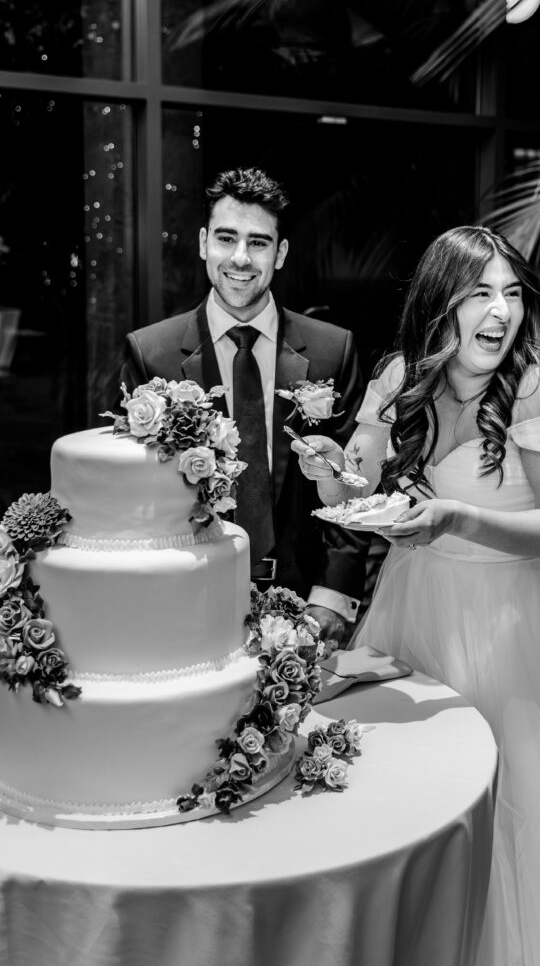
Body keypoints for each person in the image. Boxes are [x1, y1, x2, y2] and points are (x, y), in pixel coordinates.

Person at [292, 225, 540, 966]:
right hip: (422, 612)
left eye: (510, 293)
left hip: (529, 627)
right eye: (479, 294)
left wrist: (456, 517)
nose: (499, 312)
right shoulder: (400, 376)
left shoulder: (538, 387)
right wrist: (326, 465)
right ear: (443, 304)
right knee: (429, 804)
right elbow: (355, 489)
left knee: (526, 815)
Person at [119, 167, 369, 643]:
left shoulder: (333, 350)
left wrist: (334, 593)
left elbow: (358, 479)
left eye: (258, 242)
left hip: (306, 601)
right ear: (202, 242)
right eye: (226, 238)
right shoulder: (150, 353)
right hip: (186, 597)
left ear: (281, 253)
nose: (240, 258)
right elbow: (133, 493)